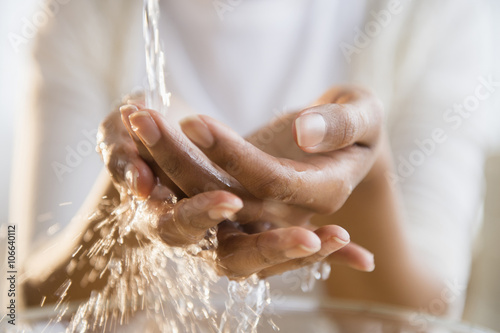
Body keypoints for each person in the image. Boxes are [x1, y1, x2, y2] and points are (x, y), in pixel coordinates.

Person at [13, 0, 493, 324]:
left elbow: (427, 316)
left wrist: (363, 182)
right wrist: (126, 207)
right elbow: (29, 301)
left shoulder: (439, 14)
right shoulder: (87, 12)